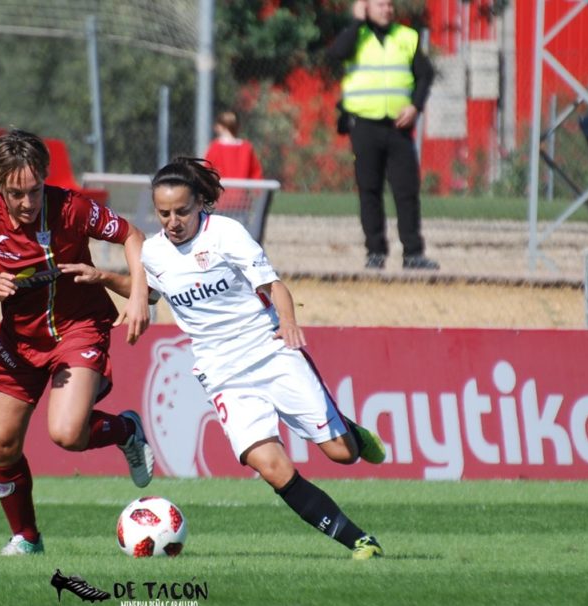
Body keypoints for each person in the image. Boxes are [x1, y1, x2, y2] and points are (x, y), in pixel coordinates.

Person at [74, 157, 388, 560]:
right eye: (164, 213)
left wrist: (288, 323)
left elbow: (274, 286)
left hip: (269, 351)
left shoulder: (226, 234)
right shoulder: (153, 253)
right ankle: (359, 541)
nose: (173, 221)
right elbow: (148, 294)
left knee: (342, 454)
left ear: (201, 203)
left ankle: (351, 431)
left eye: (182, 211)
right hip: (222, 374)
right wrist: (104, 277)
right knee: (273, 469)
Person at [0, 129, 153, 556]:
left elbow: (132, 236)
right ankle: (26, 537)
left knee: (66, 434)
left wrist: (137, 295)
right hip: (19, 339)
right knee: (1, 447)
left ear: (45, 179)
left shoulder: (74, 207)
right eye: (16, 193)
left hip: (78, 327)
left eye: (34, 190)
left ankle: (125, 430)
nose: (27, 203)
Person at [328, 0, 439, 270]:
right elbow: (336, 54)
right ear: (366, 8)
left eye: (389, 5)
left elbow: (425, 75)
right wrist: (356, 22)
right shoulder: (356, 36)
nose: (387, 9)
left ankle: (413, 253)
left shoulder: (406, 37)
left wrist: (416, 106)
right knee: (370, 190)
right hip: (364, 125)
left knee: (406, 191)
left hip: (398, 128)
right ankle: (375, 251)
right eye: (380, 5)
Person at [204, 111, 263, 180]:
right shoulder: (246, 147)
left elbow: (207, 170)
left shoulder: (215, 147)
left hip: (221, 189)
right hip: (242, 189)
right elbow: (256, 173)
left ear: (220, 126)